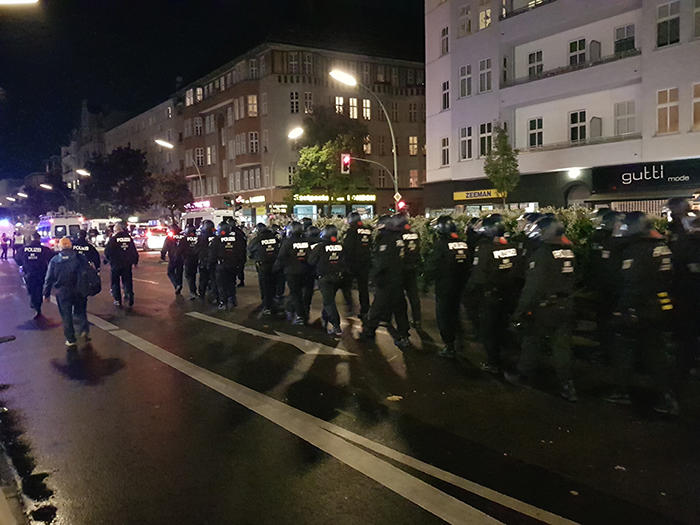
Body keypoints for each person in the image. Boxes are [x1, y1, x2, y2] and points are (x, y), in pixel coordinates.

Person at [602, 212, 679, 415]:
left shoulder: (637, 249)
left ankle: (622, 391)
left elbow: (631, 282)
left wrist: (622, 309)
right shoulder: (662, 246)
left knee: (624, 351)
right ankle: (667, 397)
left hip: (637, 308)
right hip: (659, 305)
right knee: (655, 354)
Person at [505, 217, 578, 402]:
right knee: (562, 347)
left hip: (544, 307)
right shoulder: (568, 252)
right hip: (566, 304)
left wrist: (520, 312)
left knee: (531, 341)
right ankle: (567, 385)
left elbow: (533, 289)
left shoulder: (541, 255)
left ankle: (523, 375)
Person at [466, 214, 524, 374]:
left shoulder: (485, 249)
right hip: (510, 294)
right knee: (503, 326)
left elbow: (478, 277)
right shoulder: (512, 247)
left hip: (490, 296)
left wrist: (470, 295)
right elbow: (519, 271)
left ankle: (493, 362)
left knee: (489, 330)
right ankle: (507, 356)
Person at [360, 214, 411, 348]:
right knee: (400, 309)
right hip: (398, 279)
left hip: (386, 280)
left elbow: (381, 262)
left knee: (377, 308)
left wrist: (373, 277)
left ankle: (368, 333)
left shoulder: (387, 240)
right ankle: (404, 335)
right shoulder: (399, 238)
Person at [429, 216, 470, 358]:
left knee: (444, 316)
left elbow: (433, 265)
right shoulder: (463, 244)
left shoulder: (440, 244)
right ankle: (460, 339)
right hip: (460, 286)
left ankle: (449, 346)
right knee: (455, 312)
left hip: (444, 287)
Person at [43, 237, 90, 348]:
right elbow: (88, 272)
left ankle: (71, 339)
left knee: (66, 315)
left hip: (63, 291)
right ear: (71, 245)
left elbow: (48, 278)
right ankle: (83, 329)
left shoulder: (55, 260)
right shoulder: (80, 257)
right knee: (81, 310)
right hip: (79, 289)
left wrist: (46, 293)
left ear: (60, 247)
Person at [670, 215, 700, 375]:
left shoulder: (688, 244)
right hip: (688, 292)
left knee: (688, 331)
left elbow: (679, 261)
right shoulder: (689, 243)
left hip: (688, 293)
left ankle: (686, 365)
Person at [309, 225, 346, 336]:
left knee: (329, 302)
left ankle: (336, 326)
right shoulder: (341, 246)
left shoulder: (320, 247)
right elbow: (345, 261)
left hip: (325, 278)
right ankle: (325, 318)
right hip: (337, 277)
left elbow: (311, 261)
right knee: (330, 299)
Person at [274, 222, 312, 325]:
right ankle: (304, 313)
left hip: (293, 272)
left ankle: (299, 316)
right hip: (307, 271)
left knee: (296, 294)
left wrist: (276, 269)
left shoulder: (288, 242)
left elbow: (281, 257)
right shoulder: (308, 241)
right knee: (305, 294)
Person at [341, 212, 372, 320]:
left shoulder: (351, 232)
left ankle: (349, 307)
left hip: (352, 264)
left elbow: (347, 248)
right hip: (365, 263)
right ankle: (365, 309)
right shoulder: (368, 230)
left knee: (345, 285)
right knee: (363, 288)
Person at [210, 221, 246, 310]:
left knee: (221, 285)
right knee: (231, 283)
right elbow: (241, 252)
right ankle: (232, 300)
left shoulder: (217, 240)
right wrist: (239, 264)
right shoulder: (236, 239)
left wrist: (211, 264)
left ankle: (223, 303)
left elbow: (212, 254)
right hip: (233, 265)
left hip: (221, 265)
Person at [247, 222, 280, 315]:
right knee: (273, 285)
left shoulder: (257, 239)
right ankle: (273, 303)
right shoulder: (275, 238)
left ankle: (267, 306)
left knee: (265, 287)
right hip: (274, 265)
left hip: (263, 266)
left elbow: (249, 251)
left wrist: (255, 257)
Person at [104, 221, 139, 308]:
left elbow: (108, 251)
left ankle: (118, 300)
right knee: (127, 280)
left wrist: (108, 260)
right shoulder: (129, 238)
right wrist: (135, 260)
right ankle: (130, 295)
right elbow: (133, 250)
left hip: (116, 264)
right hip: (127, 264)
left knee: (115, 282)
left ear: (116, 230)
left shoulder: (113, 239)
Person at [22, 233, 54, 318]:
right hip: (41, 273)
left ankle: (33, 303)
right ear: (39, 239)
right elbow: (51, 258)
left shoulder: (25, 249)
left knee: (31, 289)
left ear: (32, 238)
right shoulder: (44, 249)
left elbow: (18, 258)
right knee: (39, 290)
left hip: (29, 272)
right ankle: (38, 306)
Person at [402, 219, 422, 329]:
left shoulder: (400, 235)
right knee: (414, 295)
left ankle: (402, 321)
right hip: (413, 267)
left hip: (403, 268)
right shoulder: (415, 234)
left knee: (399, 296)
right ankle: (417, 319)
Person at [196, 220, 217, 302]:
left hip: (204, 262)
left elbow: (196, 250)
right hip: (213, 262)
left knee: (203, 280)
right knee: (213, 279)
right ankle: (214, 295)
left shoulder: (201, 238)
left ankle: (202, 295)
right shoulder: (216, 237)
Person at [161, 224, 185, 295]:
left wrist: (163, 255)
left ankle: (176, 285)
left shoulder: (170, 237)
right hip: (181, 257)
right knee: (179, 272)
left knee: (170, 272)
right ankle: (179, 285)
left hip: (173, 257)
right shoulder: (182, 236)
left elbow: (165, 246)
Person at [180, 225, 200, 300]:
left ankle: (193, 292)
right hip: (196, 259)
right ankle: (196, 292)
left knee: (189, 276)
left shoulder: (184, 239)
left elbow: (180, 250)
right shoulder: (198, 238)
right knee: (194, 275)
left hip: (188, 260)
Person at [229, 219, 247, 288]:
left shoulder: (231, 232)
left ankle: (235, 281)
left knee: (234, 268)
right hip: (241, 252)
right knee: (240, 268)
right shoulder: (240, 232)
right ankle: (241, 281)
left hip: (235, 253)